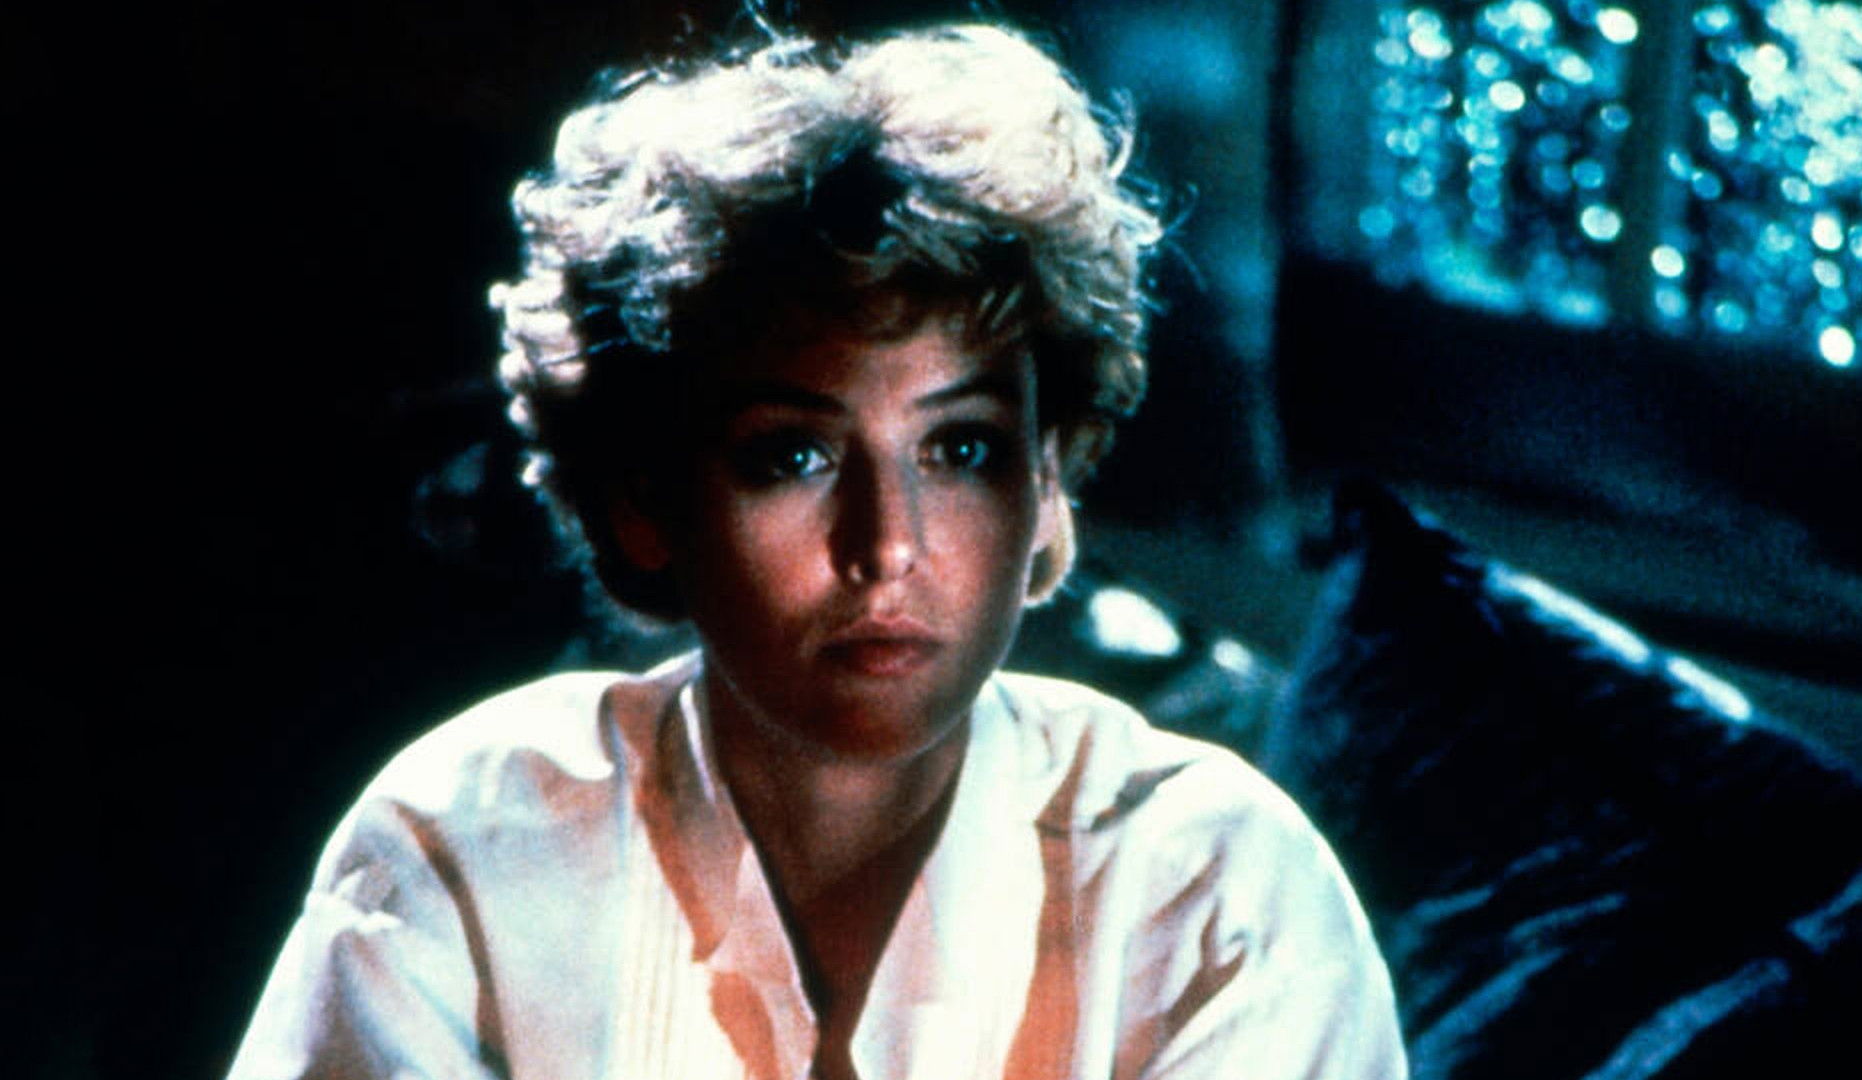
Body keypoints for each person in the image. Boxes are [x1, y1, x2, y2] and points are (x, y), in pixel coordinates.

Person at [230, 21, 1406, 1080]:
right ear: (645, 499)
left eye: (961, 450)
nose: (887, 546)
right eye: (791, 455)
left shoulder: (1214, 890)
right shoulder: (469, 846)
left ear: (1047, 485)